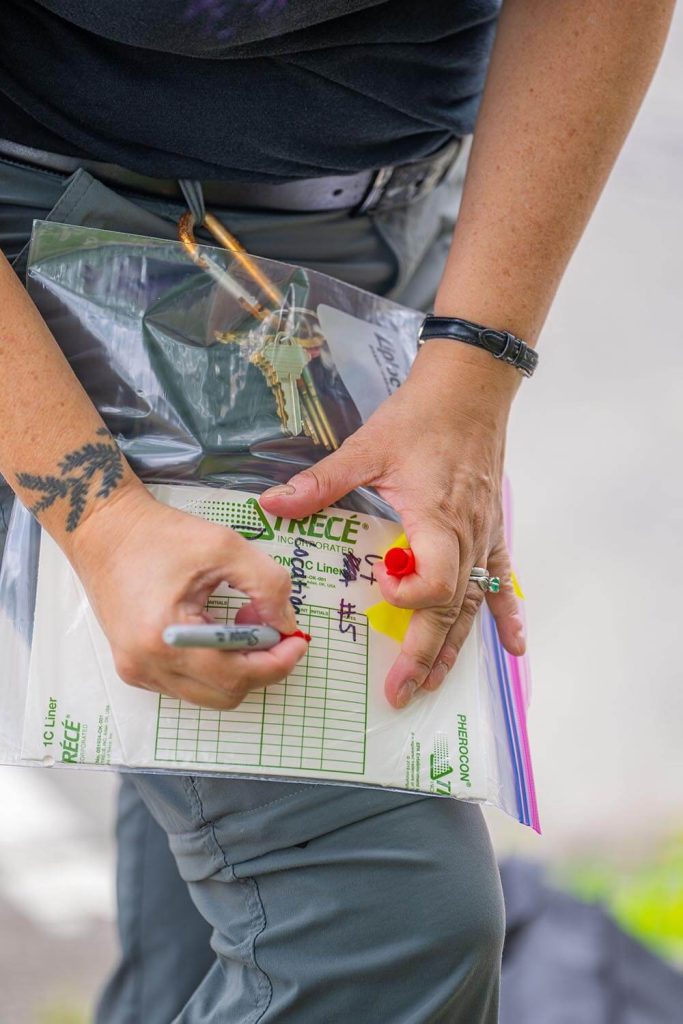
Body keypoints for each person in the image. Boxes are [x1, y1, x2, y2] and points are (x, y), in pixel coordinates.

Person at [0, 2, 674, 1021]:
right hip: (81, 261)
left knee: (226, 900)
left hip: (407, 235)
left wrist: (472, 364)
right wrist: (105, 517)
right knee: (381, 919)